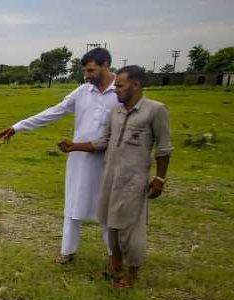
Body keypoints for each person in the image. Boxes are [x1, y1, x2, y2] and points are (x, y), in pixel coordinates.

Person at [0, 48, 118, 264]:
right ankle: (67, 251)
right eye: (85, 71)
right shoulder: (82, 92)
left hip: (111, 159)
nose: (87, 75)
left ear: (106, 65)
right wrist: (18, 127)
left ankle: (114, 255)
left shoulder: (122, 90)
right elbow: (55, 111)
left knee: (108, 207)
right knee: (73, 203)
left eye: (91, 70)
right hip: (79, 157)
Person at [62, 65, 172, 288]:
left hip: (133, 180)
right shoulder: (117, 112)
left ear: (136, 85)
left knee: (130, 229)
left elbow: (164, 149)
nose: (116, 91)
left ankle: (131, 276)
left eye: (120, 87)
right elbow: (103, 142)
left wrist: (159, 179)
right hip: (109, 177)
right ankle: (114, 269)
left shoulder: (155, 110)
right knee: (109, 224)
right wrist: (75, 146)